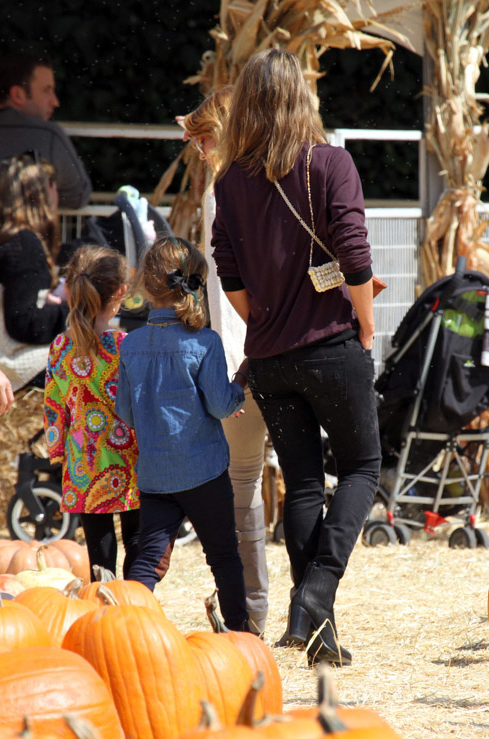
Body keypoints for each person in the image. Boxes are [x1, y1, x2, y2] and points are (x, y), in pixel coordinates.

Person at [211, 49, 382, 665]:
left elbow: (230, 277)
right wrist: (365, 325)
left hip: (271, 361)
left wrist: (265, 317)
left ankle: (318, 635)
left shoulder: (228, 182)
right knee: (364, 469)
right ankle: (316, 591)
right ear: (301, 99)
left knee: (305, 485)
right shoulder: (330, 164)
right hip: (333, 347)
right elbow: (356, 259)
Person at [115, 236, 250, 631]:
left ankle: (127, 630)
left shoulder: (131, 345)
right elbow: (223, 406)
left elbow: (126, 412)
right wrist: (241, 380)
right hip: (204, 471)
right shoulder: (205, 343)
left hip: (155, 474)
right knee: (223, 556)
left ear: (145, 285)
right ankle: (241, 633)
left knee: (148, 559)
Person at [181, 88, 269, 636]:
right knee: (298, 483)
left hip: (245, 354)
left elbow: (222, 287)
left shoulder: (223, 188)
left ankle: (253, 611)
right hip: (289, 343)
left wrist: (232, 367)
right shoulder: (276, 178)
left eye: (203, 138)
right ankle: (302, 611)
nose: (199, 150)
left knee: (243, 485)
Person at [43, 244, 139, 581]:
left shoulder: (60, 346)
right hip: (129, 460)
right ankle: (136, 610)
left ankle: (104, 609)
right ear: (120, 293)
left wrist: (57, 452)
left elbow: (54, 407)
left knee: (100, 557)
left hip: (83, 462)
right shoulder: (125, 345)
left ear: (68, 291)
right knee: (137, 545)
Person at [0, 152, 68, 392]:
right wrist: (70, 309)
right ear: (43, 191)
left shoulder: (3, 238)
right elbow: (23, 324)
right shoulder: (24, 245)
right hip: (12, 365)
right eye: (54, 187)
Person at [0, 53, 91, 214]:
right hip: (23, 237)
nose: (55, 102)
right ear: (18, 95)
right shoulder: (48, 135)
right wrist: (39, 194)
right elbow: (78, 196)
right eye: (46, 91)